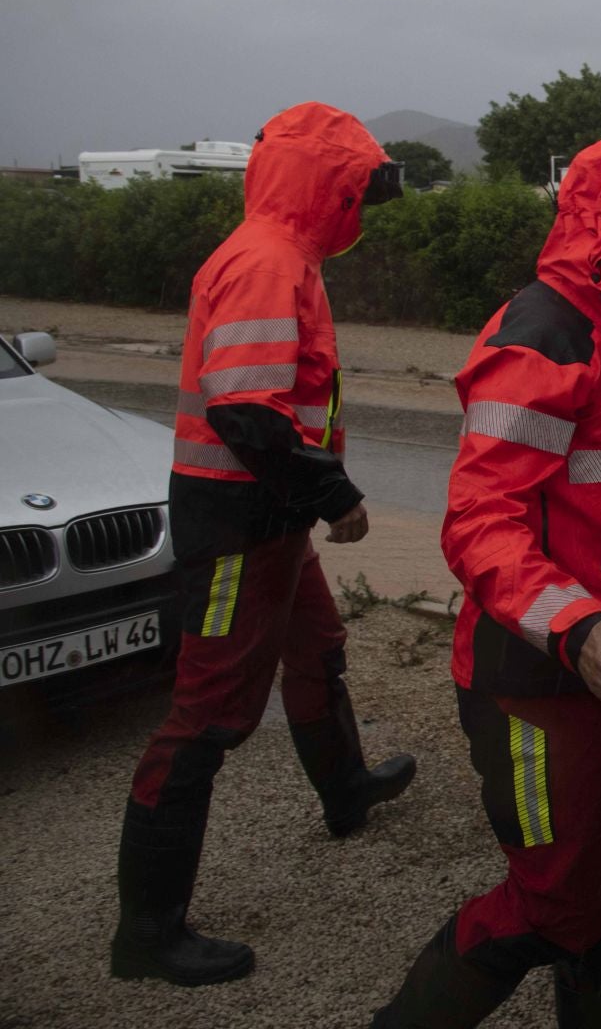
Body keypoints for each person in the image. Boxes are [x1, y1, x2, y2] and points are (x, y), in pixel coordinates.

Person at [372, 135, 601, 1028]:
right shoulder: (546, 340)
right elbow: (479, 521)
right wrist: (575, 625)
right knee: (553, 907)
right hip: (538, 686)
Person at [113, 101, 416, 986]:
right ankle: (149, 931)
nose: (366, 208)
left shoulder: (289, 257)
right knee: (207, 716)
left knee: (317, 648)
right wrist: (336, 496)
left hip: (266, 515)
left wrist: (309, 499)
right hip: (237, 520)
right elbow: (244, 409)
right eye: (360, 190)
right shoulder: (266, 261)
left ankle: (346, 794)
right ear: (327, 187)